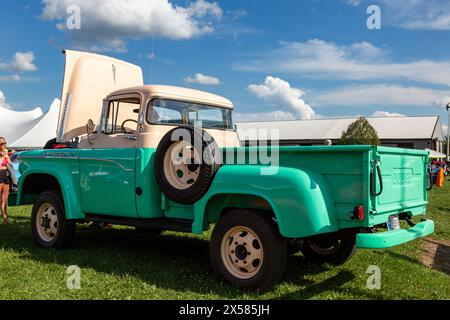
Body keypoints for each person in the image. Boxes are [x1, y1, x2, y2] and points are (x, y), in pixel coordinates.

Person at [0, 137, 13, 224]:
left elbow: (10, 164)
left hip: (6, 175)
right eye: (2, 144)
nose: (4, 145)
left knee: (4, 199)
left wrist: (6, 155)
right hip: (0, 174)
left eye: (5, 143)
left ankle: (5, 218)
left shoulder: (5, 153)